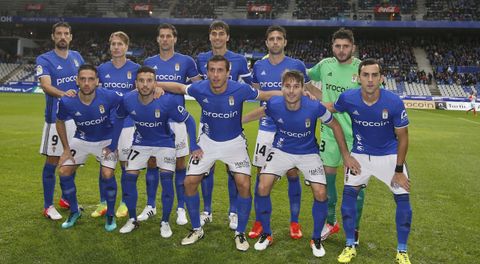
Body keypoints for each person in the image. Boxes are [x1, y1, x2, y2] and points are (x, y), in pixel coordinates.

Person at [159, 55, 282, 251]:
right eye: (212, 70)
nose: (215, 75)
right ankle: (197, 229)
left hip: (234, 143)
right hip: (207, 143)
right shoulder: (200, 88)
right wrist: (155, 83)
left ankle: (239, 233)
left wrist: (291, 93)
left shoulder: (240, 89)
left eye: (220, 70)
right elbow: (180, 87)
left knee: (244, 184)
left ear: (228, 73)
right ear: (207, 72)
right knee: (189, 183)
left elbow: (265, 95)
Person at [243, 70, 360, 257]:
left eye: (296, 86)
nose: (291, 91)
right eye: (287, 86)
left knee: (321, 193)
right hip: (281, 150)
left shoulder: (314, 106)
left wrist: (345, 155)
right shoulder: (274, 103)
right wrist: (239, 122)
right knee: (262, 187)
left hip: (308, 153)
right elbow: (261, 112)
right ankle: (266, 234)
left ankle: (316, 238)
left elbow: (335, 125)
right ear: (281, 88)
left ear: (302, 88)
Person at [326, 59, 412, 264]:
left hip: (389, 157)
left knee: (403, 200)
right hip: (360, 156)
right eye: (366, 75)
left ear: (381, 78)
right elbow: (332, 108)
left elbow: (404, 137)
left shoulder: (393, 102)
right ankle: (349, 245)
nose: (370, 80)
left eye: (375, 75)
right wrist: (309, 101)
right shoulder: (348, 98)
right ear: (359, 78)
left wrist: (399, 170)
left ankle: (402, 251)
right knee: (348, 199)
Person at [112, 66, 200, 236]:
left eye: (149, 80)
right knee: (128, 177)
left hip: (165, 143)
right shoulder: (128, 99)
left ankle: (165, 222)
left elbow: (189, 120)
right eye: (141, 80)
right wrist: (113, 144)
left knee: (167, 179)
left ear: (155, 83)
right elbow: (118, 119)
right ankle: (132, 219)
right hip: (141, 142)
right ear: (135, 83)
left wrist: (194, 146)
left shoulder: (167, 101)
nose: (145, 84)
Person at [247, 25, 314, 240]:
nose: (275, 42)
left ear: (285, 42)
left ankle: (294, 223)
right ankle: (259, 221)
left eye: (279, 39)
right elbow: (258, 95)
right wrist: (279, 94)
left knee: (292, 173)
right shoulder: (258, 66)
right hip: (266, 128)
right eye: (271, 39)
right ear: (266, 43)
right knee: (261, 176)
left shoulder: (297, 65)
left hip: (291, 129)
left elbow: (309, 93)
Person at [306, 28, 366, 243]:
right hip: (329, 132)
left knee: (356, 188)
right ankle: (330, 223)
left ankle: (355, 229)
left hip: (358, 136)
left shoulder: (362, 69)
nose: (341, 50)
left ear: (353, 47)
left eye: (346, 46)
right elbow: (305, 78)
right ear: (332, 47)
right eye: (337, 46)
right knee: (327, 182)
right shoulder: (324, 65)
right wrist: (316, 97)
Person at [196, 20, 254, 230]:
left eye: (221, 33)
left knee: (233, 170)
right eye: (214, 34)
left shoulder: (238, 60)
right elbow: (196, 86)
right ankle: (207, 211)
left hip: (231, 125)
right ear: (210, 36)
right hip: (207, 124)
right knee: (205, 170)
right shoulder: (201, 58)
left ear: (227, 37)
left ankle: (233, 212)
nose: (218, 37)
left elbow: (250, 88)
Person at [142, 23, 202, 227]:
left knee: (179, 165)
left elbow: (195, 86)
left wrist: (161, 86)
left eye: (169, 36)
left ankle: (180, 209)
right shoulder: (149, 62)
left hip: (178, 121)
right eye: (162, 36)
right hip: (153, 121)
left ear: (175, 39)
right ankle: (150, 206)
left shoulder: (186, 61)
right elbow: (144, 86)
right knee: (151, 162)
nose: (165, 39)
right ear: (157, 39)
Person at [56, 64, 123, 231]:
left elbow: (128, 103)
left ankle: (110, 215)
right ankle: (74, 211)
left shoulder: (110, 96)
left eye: (91, 79)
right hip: (82, 140)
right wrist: (65, 149)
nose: (87, 83)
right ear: (77, 81)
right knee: (64, 171)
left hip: (106, 141)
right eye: (83, 79)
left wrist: (114, 144)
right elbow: (59, 121)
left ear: (97, 81)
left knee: (107, 174)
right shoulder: (67, 100)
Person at [36, 22, 84, 220]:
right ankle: (48, 206)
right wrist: (65, 95)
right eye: (59, 33)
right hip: (56, 119)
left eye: (66, 33)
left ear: (71, 37)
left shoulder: (77, 57)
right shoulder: (44, 59)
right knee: (53, 160)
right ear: (53, 36)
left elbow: (85, 82)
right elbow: (46, 86)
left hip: (76, 119)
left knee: (72, 161)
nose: (63, 36)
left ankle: (65, 198)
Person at [93, 31, 140, 219]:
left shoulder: (136, 69)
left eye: (120, 44)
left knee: (126, 164)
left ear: (127, 47)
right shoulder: (102, 69)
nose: (116, 47)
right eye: (113, 44)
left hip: (128, 124)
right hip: (107, 124)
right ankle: (103, 202)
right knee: (104, 165)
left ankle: (125, 202)